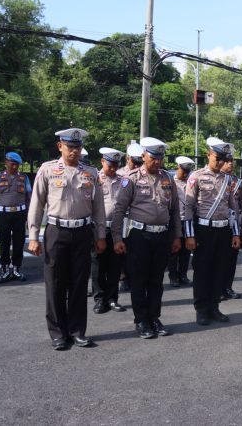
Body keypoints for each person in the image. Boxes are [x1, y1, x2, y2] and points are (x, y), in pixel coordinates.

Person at [27, 128, 107, 350]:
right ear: (60, 146)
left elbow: (98, 207)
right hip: (56, 231)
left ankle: (77, 331)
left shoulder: (90, 173)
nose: (74, 151)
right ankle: (58, 333)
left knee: (79, 284)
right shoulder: (48, 170)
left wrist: (100, 235)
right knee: (55, 283)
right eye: (70, 147)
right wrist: (33, 236)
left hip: (82, 232)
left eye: (77, 147)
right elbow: (36, 204)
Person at [112, 137, 182, 339]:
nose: (157, 162)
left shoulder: (168, 179)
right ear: (143, 156)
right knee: (139, 279)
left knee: (156, 280)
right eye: (153, 158)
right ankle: (141, 320)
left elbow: (175, 210)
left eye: (160, 158)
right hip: (139, 236)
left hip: (162, 236)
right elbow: (119, 210)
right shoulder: (132, 178)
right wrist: (117, 237)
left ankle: (154, 317)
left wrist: (177, 236)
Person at [184, 137, 241, 325]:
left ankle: (214, 307)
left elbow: (233, 209)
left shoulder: (228, 180)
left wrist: (235, 233)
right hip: (203, 230)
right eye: (217, 157)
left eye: (223, 158)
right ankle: (201, 309)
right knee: (202, 272)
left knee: (219, 270)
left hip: (223, 230)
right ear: (208, 155)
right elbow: (189, 208)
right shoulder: (196, 176)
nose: (220, 162)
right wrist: (190, 235)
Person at [91, 147, 126, 314]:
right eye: (110, 165)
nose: (113, 169)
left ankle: (113, 299)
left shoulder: (123, 181)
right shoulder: (94, 179)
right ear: (102, 161)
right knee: (98, 265)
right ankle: (99, 299)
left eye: (116, 165)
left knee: (115, 266)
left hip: (117, 229)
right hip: (99, 228)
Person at [0, 152, 31, 283]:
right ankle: (5, 270)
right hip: (4, 215)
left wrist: (30, 217)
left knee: (19, 242)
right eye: (12, 163)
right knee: (4, 242)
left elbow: (30, 198)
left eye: (17, 164)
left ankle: (17, 269)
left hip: (20, 215)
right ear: (6, 162)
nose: (14, 166)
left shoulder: (24, 178)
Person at [116, 142, 144, 292]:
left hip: (136, 217)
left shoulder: (143, 174)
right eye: (135, 161)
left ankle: (132, 276)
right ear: (128, 158)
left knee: (134, 250)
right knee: (121, 247)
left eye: (140, 162)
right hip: (123, 216)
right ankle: (122, 277)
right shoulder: (120, 174)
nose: (137, 165)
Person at [167, 156, 195, 287]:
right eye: (183, 170)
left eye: (187, 171)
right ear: (178, 167)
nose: (185, 173)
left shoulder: (191, 183)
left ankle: (183, 275)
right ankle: (173, 276)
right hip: (174, 221)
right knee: (174, 251)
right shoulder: (170, 182)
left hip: (187, 221)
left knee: (185, 251)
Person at [221, 153, 242, 300]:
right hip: (220, 223)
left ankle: (227, 287)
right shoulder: (218, 179)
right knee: (219, 259)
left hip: (234, 224)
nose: (230, 164)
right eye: (227, 161)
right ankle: (217, 288)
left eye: (232, 161)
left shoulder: (238, 182)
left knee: (231, 259)